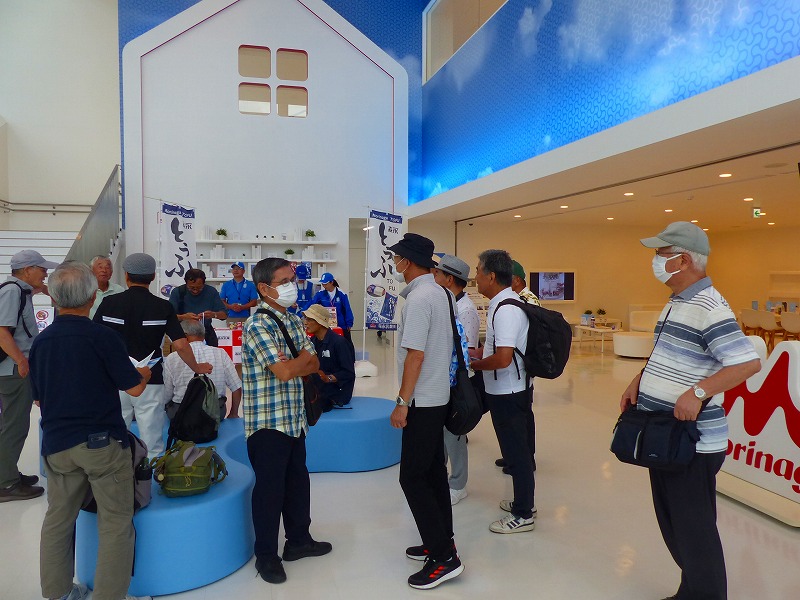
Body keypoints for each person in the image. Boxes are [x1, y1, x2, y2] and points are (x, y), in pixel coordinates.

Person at [622, 222, 760, 600]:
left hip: (692, 441)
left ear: (683, 260)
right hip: (664, 433)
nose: (655, 261)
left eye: (660, 254)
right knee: (674, 522)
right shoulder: (677, 301)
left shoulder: (709, 307)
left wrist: (699, 392)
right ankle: (691, 590)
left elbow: (747, 362)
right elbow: (668, 352)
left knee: (694, 529)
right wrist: (639, 378)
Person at [30, 262, 152, 600]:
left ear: (54, 298)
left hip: (57, 444)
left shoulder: (42, 342)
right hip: (102, 444)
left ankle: (58, 593)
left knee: (58, 520)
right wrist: (142, 373)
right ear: (92, 295)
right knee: (115, 522)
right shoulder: (102, 337)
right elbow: (134, 388)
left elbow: (38, 398)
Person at [242, 257, 331, 585]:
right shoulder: (256, 325)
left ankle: (299, 541)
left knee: (297, 481)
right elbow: (283, 371)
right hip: (268, 422)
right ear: (264, 288)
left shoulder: (293, 319)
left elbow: (314, 362)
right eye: (283, 282)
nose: (291, 286)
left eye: (291, 280)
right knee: (269, 490)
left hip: (294, 417)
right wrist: (298, 361)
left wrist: (298, 362)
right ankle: (266, 555)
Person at [388, 233, 464, 589]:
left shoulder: (419, 299)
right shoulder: (442, 292)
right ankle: (441, 540)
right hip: (439, 396)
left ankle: (444, 558)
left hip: (421, 401)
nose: (395, 263)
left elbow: (415, 355)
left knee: (412, 477)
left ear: (407, 261)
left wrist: (402, 403)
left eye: (397, 258)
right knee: (432, 473)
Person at [94, 253, 212, 459]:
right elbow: (181, 344)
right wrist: (197, 367)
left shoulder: (108, 303)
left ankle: (117, 473)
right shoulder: (163, 307)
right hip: (151, 377)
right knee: (152, 438)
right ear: (153, 277)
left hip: (114, 379)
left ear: (126, 275)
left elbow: (94, 339)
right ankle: (151, 475)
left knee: (114, 435)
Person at [469, 249, 536, 534]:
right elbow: (498, 350)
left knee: (517, 454)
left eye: (478, 271)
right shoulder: (502, 303)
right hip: (506, 389)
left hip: (509, 392)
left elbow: (503, 358)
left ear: (491, 276)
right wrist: (478, 354)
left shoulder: (506, 309)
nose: (475, 277)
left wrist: (475, 365)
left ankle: (524, 514)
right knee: (514, 451)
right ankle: (523, 502)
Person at [0, 250, 57, 502]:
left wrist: (42, 290)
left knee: (12, 424)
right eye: (41, 269)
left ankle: (7, 472)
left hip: (12, 368)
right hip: (13, 370)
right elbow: (2, 332)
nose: (45, 273)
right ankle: (6, 483)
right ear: (26, 270)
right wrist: (21, 361)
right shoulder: (12, 292)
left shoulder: (20, 291)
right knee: (15, 425)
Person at [432, 254, 480, 506]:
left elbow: (466, 353)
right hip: (442, 379)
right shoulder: (447, 303)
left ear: (449, 279)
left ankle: (459, 484)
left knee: (455, 434)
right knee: (441, 432)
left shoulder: (466, 310)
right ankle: (441, 477)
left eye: (438, 274)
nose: (434, 277)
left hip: (458, 381)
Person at [495, 259, 540, 475]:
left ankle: (526, 459)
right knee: (517, 419)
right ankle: (514, 456)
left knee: (522, 418)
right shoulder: (517, 299)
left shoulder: (526, 300)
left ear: (516, 280)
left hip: (522, 367)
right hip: (518, 366)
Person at [163, 319, 242, 421]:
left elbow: (167, 393)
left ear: (185, 336)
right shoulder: (220, 353)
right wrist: (233, 413)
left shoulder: (172, 358)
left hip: (181, 413)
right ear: (203, 335)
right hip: (214, 413)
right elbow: (236, 388)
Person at [302, 304, 355, 410]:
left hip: (338, 392)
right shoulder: (312, 342)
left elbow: (348, 373)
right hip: (319, 387)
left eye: (309, 319)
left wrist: (328, 378)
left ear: (320, 322)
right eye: (305, 319)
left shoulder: (339, 343)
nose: (305, 323)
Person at [169, 268, 227, 347]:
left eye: (199, 288)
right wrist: (184, 317)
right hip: (183, 334)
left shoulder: (211, 291)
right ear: (186, 283)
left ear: (204, 283)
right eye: (192, 288)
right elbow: (169, 317)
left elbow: (224, 315)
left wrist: (214, 314)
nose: (195, 291)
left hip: (206, 332)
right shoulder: (178, 292)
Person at [310, 272, 354, 346]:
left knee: (346, 344)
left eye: (325, 284)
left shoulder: (341, 294)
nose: (324, 286)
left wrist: (349, 323)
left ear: (331, 282)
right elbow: (311, 304)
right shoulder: (320, 294)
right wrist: (302, 313)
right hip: (326, 324)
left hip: (341, 324)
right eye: (322, 284)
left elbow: (347, 308)